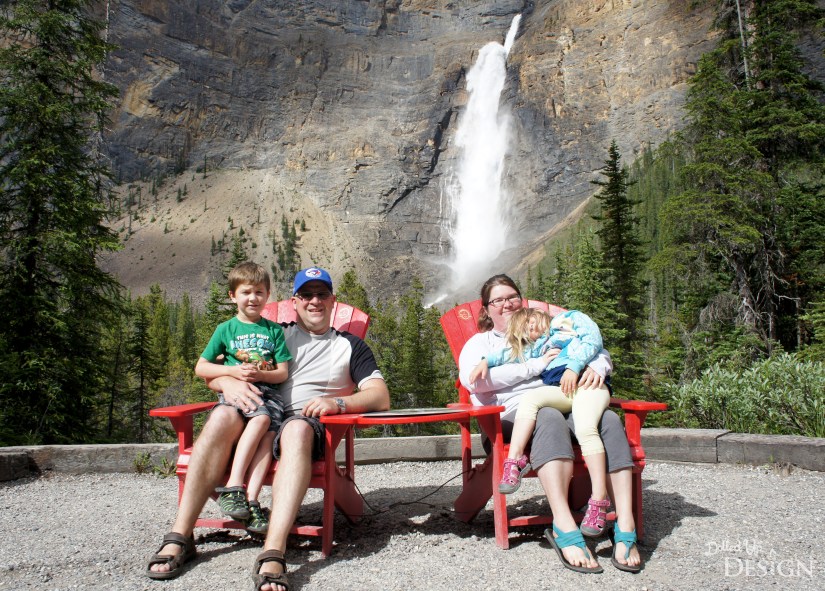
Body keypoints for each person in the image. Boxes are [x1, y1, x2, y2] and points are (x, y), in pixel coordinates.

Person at [146, 267, 390, 590]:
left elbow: (380, 396)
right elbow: (215, 371)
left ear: (333, 301)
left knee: (296, 430)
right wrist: (225, 384)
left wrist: (338, 403)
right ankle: (180, 536)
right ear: (295, 301)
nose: (314, 301)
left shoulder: (350, 346)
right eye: (306, 295)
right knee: (220, 416)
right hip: (252, 417)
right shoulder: (275, 334)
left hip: (304, 427)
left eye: (322, 294)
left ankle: (273, 550)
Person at [459, 274, 642, 573]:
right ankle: (563, 522)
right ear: (486, 309)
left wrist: (597, 364)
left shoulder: (546, 331)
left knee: (607, 419)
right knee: (548, 415)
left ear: (522, 300)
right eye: (498, 300)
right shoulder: (479, 343)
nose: (507, 304)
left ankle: (625, 524)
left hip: (565, 397)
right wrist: (537, 366)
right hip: (508, 417)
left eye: (512, 297)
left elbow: (587, 343)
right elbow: (475, 382)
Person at [469, 306, 612, 538]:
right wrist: (486, 361)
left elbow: (593, 337)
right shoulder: (541, 347)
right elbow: (512, 354)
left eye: (531, 320)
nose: (531, 327)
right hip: (565, 390)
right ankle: (513, 462)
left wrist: (575, 367)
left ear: (540, 314)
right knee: (531, 398)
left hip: (588, 384)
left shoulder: (569, 319)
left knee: (586, 428)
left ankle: (598, 499)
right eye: (525, 328)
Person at [194, 261, 292, 535]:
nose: (253, 298)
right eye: (246, 292)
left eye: (259, 292)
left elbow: (282, 372)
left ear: (268, 295)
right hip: (238, 394)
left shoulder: (273, 331)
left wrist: (262, 372)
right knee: (261, 419)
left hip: (268, 393)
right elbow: (201, 367)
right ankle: (235, 486)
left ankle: (251, 501)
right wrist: (232, 371)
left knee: (270, 435)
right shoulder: (226, 330)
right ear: (233, 296)